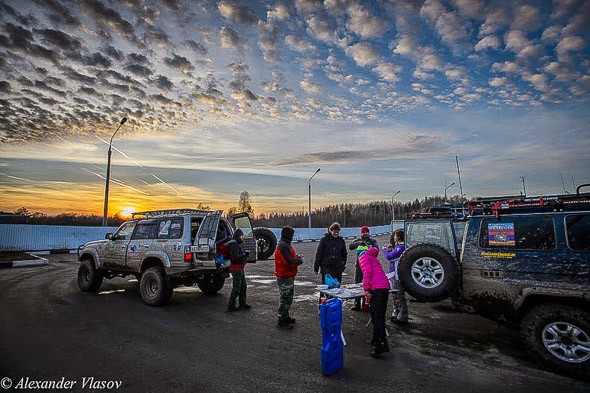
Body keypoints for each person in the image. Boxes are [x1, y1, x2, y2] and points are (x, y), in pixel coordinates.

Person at [358, 245, 390, 358]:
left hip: (376, 289)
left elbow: (368, 271)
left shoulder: (363, 257)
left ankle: (379, 345)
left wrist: (366, 288)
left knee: (376, 317)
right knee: (380, 315)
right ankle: (377, 340)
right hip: (385, 287)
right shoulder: (374, 258)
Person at [274, 226, 304, 329]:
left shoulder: (285, 244)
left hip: (288, 275)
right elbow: (288, 261)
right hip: (284, 276)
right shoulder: (283, 246)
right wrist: (298, 261)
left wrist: (296, 258)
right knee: (285, 298)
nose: (292, 236)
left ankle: (285, 316)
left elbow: (289, 259)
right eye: (291, 234)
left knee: (288, 298)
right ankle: (281, 320)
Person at [314, 222, 347, 304]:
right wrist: (316, 267)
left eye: (337, 231)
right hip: (326, 268)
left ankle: (334, 306)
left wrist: (342, 264)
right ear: (330, 230)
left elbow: (344, 254)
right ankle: (322, 306)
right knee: (325, 288)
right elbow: (319, 254)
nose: (336, 233)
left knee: (336, 288)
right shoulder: (324, 240)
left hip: (338, 268)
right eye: (334, 231)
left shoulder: (341, 241)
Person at [348, 226, 378, 310]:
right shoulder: (358, 240)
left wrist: (368, 248)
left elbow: (377, 250)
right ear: (361, 233)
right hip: (359, 265)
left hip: (369, 266)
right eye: (363, 232)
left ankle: (366, 302)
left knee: (368, 285)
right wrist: (359, 243)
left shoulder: (373, 241)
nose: (365, 233)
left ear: (368, 232)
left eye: (366, 232)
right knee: (357, 284)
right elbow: (350, 246)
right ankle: (356, 302)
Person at [383, 229, 408, 324]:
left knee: (399, 295)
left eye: (395, 236)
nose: (393, 237)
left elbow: (390, 257)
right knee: (395, 295)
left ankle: (403, 315)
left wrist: (385, 250)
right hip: (394, 273)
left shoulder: (401, 246)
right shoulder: (398, 246)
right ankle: (397, 313)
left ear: (398, 237)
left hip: (399, 274)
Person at [226, 228, 251, 312]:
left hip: (240, 268)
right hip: (236, 268)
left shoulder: (238, 244)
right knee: (236, 287)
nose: (242, 237)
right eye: (241, 236)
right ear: (238, 236)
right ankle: (231, 306)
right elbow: (234, 258)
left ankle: (242, 303)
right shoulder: (234, 245)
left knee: (243, 286)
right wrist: (244, 254)